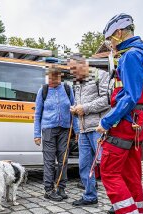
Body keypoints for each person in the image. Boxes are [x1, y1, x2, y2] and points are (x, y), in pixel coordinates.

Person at [96, 13, 143, 214]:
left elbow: (129, 96)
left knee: (109, 171)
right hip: (137, 122)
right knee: (132, 174)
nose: (110, 44)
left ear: (119, 33)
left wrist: (106, 121)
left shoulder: (130, 56)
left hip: (124, 121)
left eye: (110, 39)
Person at [68, 54, 110, 206]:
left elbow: (108, 99)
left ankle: (116, 202)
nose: (72, 72)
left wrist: (84, 108)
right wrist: (76, 111)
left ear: (84, 64)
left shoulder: (100, 76)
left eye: (74, 68)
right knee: (84, 165)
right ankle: (90, 196)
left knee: (106, 165)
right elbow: (80, 106)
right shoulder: (77, 83)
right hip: (84, 130)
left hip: (98, 128)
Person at [34, 62, 79, 201]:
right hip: (48, 129)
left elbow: (74, 110)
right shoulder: (43, 90)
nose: (52, 82)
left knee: (63, 160)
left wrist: (77, 130)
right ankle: (48, 190)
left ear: (60, 77)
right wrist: (36, 134)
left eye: (55, 79)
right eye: (50, 79)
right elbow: (37, 114)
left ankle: (61, 187)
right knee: (49, 161)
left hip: (64, 130)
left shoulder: (67, 88)